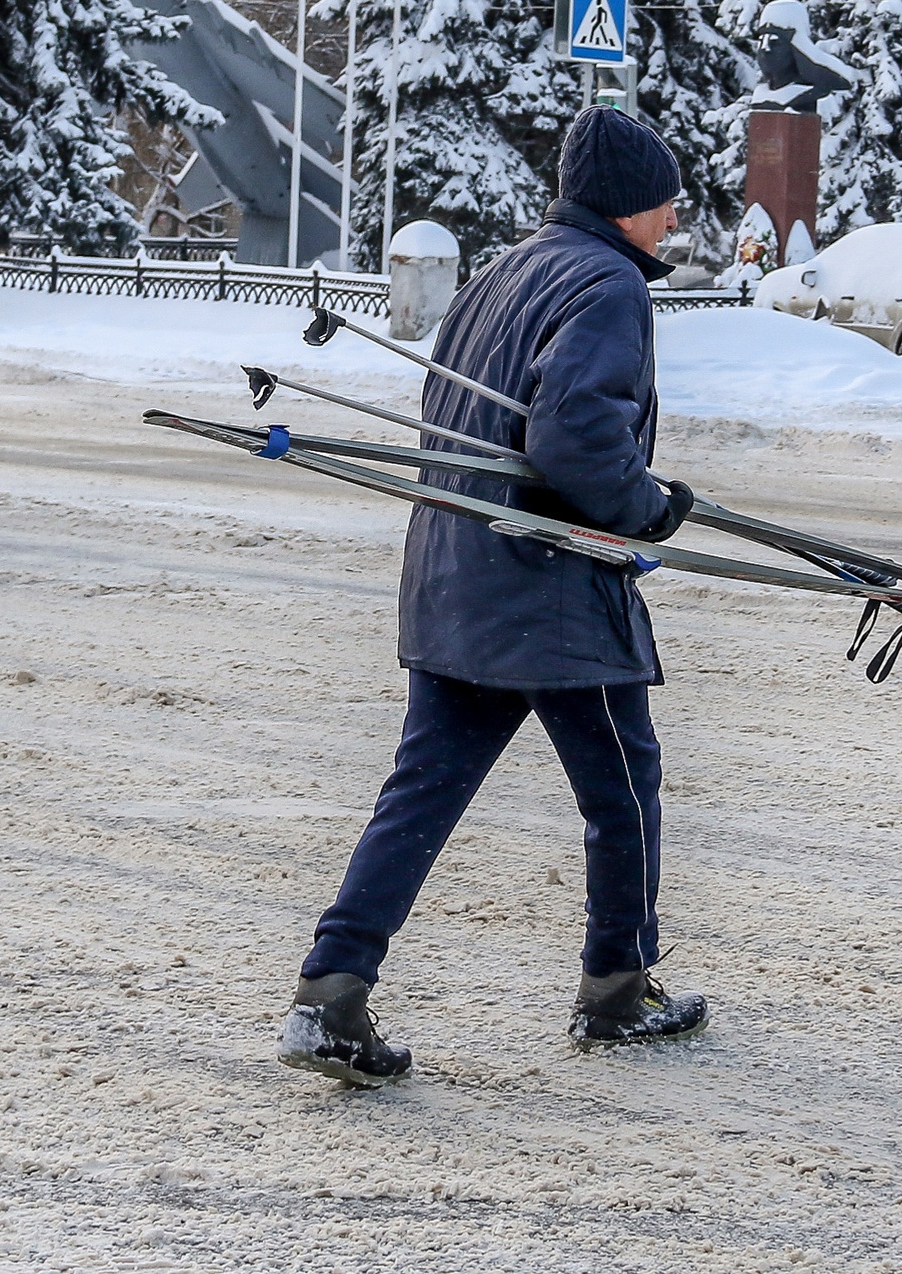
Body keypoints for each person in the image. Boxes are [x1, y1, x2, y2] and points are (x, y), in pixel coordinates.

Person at [278, 107, 708, 1088]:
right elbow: (576, 444)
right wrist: (644, 510)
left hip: (454, 570)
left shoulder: (503, 270)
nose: (675, 215)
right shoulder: (607, 286)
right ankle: (615, 990)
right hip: (550, 590)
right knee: (623, 791)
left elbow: (452, 408)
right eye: (665, 198)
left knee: (421, 791)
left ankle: (330, 992)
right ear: (628, 204)